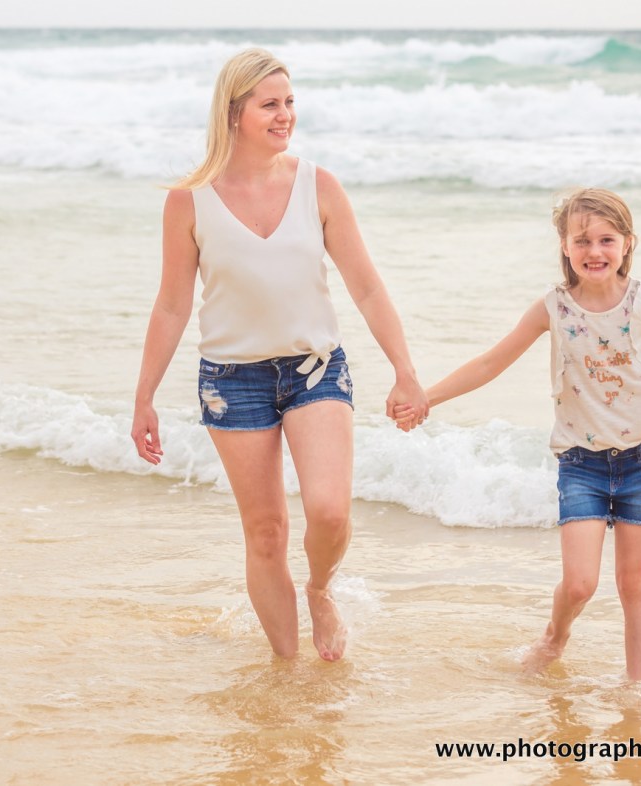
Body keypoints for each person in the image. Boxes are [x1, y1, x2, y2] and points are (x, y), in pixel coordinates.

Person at [130, 48, 429, 663]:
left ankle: (320, 588)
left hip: (315, 369)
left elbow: (366, 285)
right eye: (271, 104)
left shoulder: (318, 185)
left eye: (289, 102)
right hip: (229, 381)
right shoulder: (189, 201)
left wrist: (405, 370)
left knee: (328, 510)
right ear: (235, 112)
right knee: (265, 532)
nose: (285, 115)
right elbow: (170, 306)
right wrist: (144, 397)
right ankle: (287, 670)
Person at [400, 188, 641, 680]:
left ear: (628, 244)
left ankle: (638, 689)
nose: (595, 251)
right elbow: (491, 362)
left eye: (606, 240)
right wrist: (427, 398)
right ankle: (556, 635)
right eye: (582, 240)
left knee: (634, 584)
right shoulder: (554, 307)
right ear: (565, 246)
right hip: (582, 465)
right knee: (581, 583)